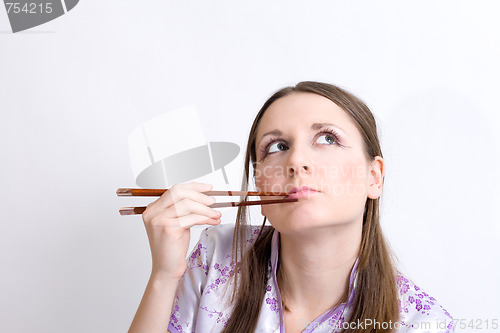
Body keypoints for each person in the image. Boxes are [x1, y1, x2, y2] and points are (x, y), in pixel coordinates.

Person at [129, 81, 454, 333]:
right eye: (277, 146)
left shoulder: (423, 322)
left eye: (327, 138)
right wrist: (164, 274)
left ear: (374, 177)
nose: (296, 161)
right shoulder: (217, 256)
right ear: (259, 184)